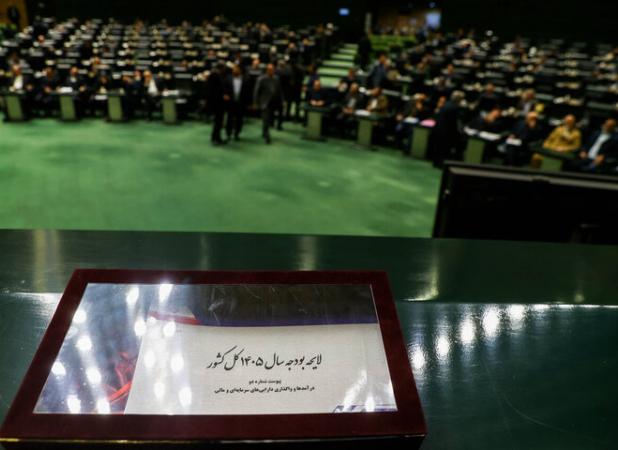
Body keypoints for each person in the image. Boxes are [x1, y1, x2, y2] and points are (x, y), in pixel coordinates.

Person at [430, 90, 466, 167]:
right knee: (444, 149)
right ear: (459, 99)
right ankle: (442, 164)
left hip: (438, 129)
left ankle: (436, 163)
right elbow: (455, 123)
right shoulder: (456, 108)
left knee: (438, 148)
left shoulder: (446, 104)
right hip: (446, 131)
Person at [254, 63, 284, 144]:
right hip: (265, 103)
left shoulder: (276, 79)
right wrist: (256, 102)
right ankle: (267, 136)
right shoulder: (261, 79)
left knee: (269, 120)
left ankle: (264, 131)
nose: (271, 71)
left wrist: (282, 101)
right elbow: (256, 92)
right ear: (267, 70)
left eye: (272, 69)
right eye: (270, 69)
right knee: (266, 119)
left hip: (274, 103)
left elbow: (280, 91)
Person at [224, 64, 250, 140]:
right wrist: (225, 95)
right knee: (229, 118)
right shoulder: (228, 78)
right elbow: (224, 88)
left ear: (240, 70)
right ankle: (228, 133)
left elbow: (248, 92)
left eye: (236, 69)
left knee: (239, 119)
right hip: (230, 102)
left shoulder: (245, 79)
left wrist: (248, 103)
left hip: (240, 102)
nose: (235, 70)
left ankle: (237, 133)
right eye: (234, 69)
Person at [205, 63, 228, 145]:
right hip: (217, 102)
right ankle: (216, 138)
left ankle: (216, 137)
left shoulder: (216, 75)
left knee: (218, 122)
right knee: (218, 121)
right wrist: (222, 96)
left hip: (218, 102)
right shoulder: (214, 75)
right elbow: (214, 90)